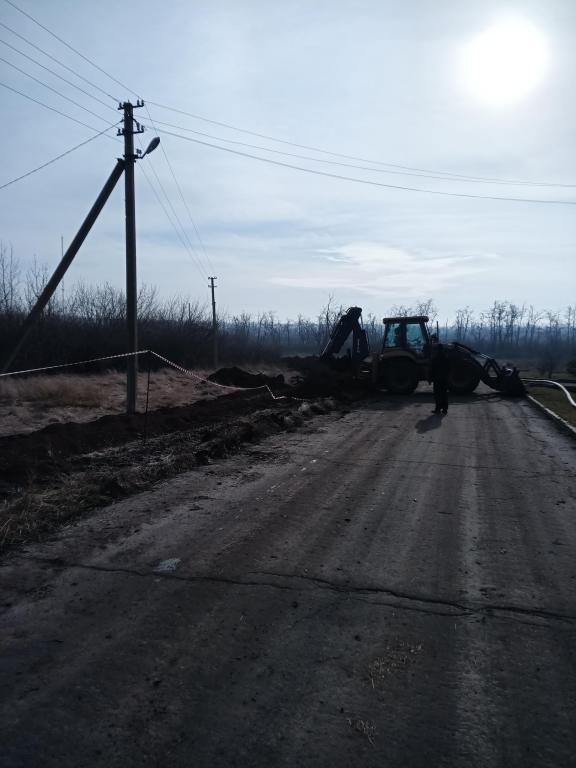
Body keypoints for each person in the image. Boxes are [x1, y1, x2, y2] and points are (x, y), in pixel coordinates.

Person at [429, 343, 450, 415]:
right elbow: (449, 369)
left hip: (437, 379)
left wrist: (430, 378)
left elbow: (432, 369)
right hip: (444, 379)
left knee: (437, 394)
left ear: (437, 349)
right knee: (444, 393)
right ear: (443, 349)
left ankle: (438, 409)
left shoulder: (435, 358)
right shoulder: (446, 358)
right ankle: (445, 409)